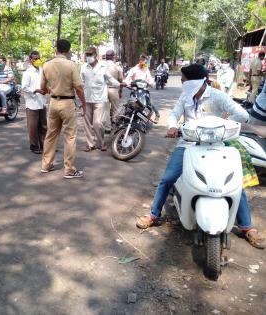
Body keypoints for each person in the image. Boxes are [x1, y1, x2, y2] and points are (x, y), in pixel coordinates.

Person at [136, 63, 264, 249]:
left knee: (234, 184)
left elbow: (242, 115)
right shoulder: (185, 96)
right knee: (168, 178)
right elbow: (174, 115)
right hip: (188, 144)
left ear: (196, 81)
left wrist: (224, 124)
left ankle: (247, 227)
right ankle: (154, 214)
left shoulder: (218, 96)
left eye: (183, 80)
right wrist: (172, 126)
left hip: (218, 145)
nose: (182, 83)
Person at [38, 39, 87, 179]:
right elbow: (78, 87)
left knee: (51, 135)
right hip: (67, 104)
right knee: (70, 137)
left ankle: (46, 165)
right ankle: (69, 170)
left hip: (53, 102)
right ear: (68, 50)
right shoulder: (71, 65)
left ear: (57, 49)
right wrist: (83, 103)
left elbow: (42, 87)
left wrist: (52, 89)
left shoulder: (46, 65)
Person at [81, 47, 123, 151]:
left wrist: (120, 84)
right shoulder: (83, 67)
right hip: (87, 98)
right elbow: (80, 82)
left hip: (100, 99)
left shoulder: (102, 67)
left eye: (90, 54)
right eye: (87, 55)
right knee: (87, 123)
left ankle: (100, 142)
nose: (88, 57)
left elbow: (110, 79)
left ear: (95, 55)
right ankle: (90, 143)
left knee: (98, 123)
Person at [22, 51, 47, 154]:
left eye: (38, 58)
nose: (37, 60)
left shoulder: (42, 71)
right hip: (32, 103)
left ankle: (45, 145)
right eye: (35, 59)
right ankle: (34, 146)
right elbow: (24, 87)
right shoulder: (27, 73)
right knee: (33, 126)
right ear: (30, 60)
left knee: (43, 126)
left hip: (42, 102)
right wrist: (35, 90)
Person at [125, 55, 159, 122]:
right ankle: (127, 115)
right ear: (140, 61)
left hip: (143, 90)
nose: (143, 63)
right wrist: (128, 83)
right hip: (135, 89)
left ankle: (156, 114)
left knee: (148, 103)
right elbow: (128, 79)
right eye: (142, 61)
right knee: (131, 102)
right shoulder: (133, 69)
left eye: (145, 62)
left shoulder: (146, 69)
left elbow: (149, 78)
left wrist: (152, 83)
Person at [105, 49, 124, 131]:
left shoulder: (101, 65)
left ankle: (107, 128)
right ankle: (115, 124)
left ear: (106, 56)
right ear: (113, 57)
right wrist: (120, 91)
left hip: (103, 90)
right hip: (114, 89)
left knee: (105, 109)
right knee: (115, 108)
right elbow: (120, 80)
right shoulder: (117, 67)